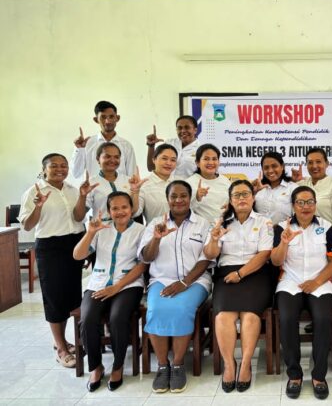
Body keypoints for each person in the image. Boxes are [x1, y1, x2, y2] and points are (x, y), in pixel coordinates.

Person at [139, 180, 213, 393]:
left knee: (181, 308)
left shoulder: (203, 224)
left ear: (190, 198)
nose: (178, 200)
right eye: (174, 196)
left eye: (183, 196)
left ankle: (178, 364)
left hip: (195, 281)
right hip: (161, 279)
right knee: (156, 308)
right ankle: (163, 365)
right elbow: (146, 257)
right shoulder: (156, 223)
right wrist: (156, 239)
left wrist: (184, 282)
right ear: (167, 199)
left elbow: (206, 258)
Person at [203, 180, 274, 393]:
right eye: (237, 195)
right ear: (230, 200)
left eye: (245, 194)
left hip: (256, 273)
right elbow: (210, 254)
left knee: (250, 316)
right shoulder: (220, 222)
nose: (241, 198)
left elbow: (265, 254)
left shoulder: (264, 221)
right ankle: (229, 364)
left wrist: (241, 274)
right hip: (226, 274)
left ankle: (245, 364)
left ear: (253, 197)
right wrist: (214, 240)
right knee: (223, 316)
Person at [271, 186, 332, 400]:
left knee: (323, 318)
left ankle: (319, 375)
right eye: (300, 202)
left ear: (315, 204)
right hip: (290, 281)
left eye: (310, 202)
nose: (305, 206)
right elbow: (276, 261)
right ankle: (294, 375)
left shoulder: (326, 227)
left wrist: (316, 281)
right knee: (287, 318)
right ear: (293, 206)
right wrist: (284, 243)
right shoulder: (281, 227)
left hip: (320, 281)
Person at [73, 192, 146, 392]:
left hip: (128, 285)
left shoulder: (141, 230)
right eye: (115, 208)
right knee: (87, 319)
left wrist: (117, 287)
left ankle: (118, 366)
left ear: (131, 209)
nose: (120, 212)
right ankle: (95, 367)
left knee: (117, 318)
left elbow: (143, 264)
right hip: (98, 283)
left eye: (124, 207)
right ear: (109, 210)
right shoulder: (100, 229)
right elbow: (78, 255)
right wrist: (90, 233)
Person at [18, 153, 85, 368]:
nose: (60, 169)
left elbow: (78, 217)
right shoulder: (34, 192)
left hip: (74, 243)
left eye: (63, 165)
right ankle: (61, 348)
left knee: (71, 296)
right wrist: (38, 206)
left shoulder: (72, 189)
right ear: (44, 169)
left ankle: (64, 341)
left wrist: (83, 197)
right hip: (50, 246)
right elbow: (27, 225)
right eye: (54, 166)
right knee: (54, 297)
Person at [73, 142, 143, 222]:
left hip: (126, 227)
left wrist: (135, 191)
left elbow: (133, 212)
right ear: (98, 159)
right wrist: (82, 196)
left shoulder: (129, 181)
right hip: (102, 228)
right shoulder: (90, 184)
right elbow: (78, 217)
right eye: (107, 156)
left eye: (116, 157)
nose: (112, 160)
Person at [71, 101, 137, 179]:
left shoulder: (126, 146)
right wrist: (79, 149)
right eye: (103, 117)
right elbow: (76, 174)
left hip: (120, 187)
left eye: (111, 116)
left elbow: (132, 176)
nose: (108, 121)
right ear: (96, 120)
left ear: (117, 118)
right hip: (93, 187)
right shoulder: (87, 144)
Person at [292, 148, 332, 230]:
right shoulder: (301, 184)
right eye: (310, 162)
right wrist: (293, 181)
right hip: (303, 234)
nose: (314, 166)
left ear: (327, 164)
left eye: (318, 162)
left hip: (328, 234)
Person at [187, 144, 231, 223]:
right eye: (206, 159)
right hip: (201, 227)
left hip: (225, 225)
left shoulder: (225, 181)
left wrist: (231, 207)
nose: (211, 162)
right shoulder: (189, 183)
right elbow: (183, 211)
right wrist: (197, 197)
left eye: (214, 159)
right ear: (197, 163)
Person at [137, 143, 179, 223]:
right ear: (154, 159)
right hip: (156, 229)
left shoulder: (181, 182)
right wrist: (134, 192)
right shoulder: (144, 185)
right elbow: (135, 213)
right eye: (164, 158)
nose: (169, 163)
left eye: (173, 160)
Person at [254, 151, 298, 224]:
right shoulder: (257, 189)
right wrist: (252, 192)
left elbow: (298, 215)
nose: (270, 171)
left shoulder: (293, 188)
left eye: (274, 166)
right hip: (259, 230)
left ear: (282, 166)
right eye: (266, 167)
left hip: (284, 230)